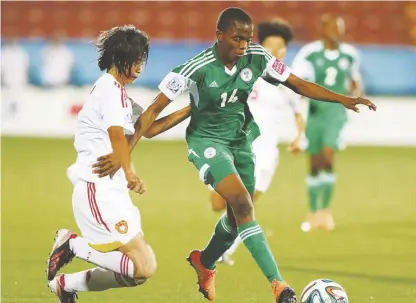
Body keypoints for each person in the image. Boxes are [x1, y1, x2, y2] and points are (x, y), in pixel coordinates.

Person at [93, 7, 376, 303]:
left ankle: (205, 262)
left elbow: (298, 84)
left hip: (241, 142)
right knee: (242, 204)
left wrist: (344, 99)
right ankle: (280, 287)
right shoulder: (195, 68)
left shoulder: (258, 56)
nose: (243, 45)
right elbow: (151, 113)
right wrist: (123, 155)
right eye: (237, 38)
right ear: (219, 36)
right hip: (206, 142)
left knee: (236, 217)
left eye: (247, 38)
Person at [45, 25, 157, 303]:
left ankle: (65, 284)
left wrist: (194, 108)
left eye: (143, 60)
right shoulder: (110, 91)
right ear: (122, 58)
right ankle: (72, 244)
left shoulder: (115, 91)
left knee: (143, 270)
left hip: (111, 190)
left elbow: (149, 128)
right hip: (98, 188)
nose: (141, 67)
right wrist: (130, 172)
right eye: (137, 60)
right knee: (141, 267)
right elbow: (117, 135)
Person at [209, 18, 305, 266]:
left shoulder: (288, 82)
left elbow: (299, 113)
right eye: (270, 46)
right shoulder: (244, 70)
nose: (275, 51)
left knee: (245, 205)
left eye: (279, 47)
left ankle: (223, 251)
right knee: (218, 203)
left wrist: (298, 136)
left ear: (285, 50)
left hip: (263, 155)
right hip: (233, 146)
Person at [292, 14, 364, 232]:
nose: (336, 31)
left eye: (339, 27)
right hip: (315, 112)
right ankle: (313, 212)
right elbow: (297, 80)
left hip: (335, 113)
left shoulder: (349, 55)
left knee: (327, 155)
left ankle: (326, 212)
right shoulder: (309, 53)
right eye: (332, 27)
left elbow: (355, 81)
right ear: (322, 29)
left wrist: (356, 96)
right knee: (314, 162)